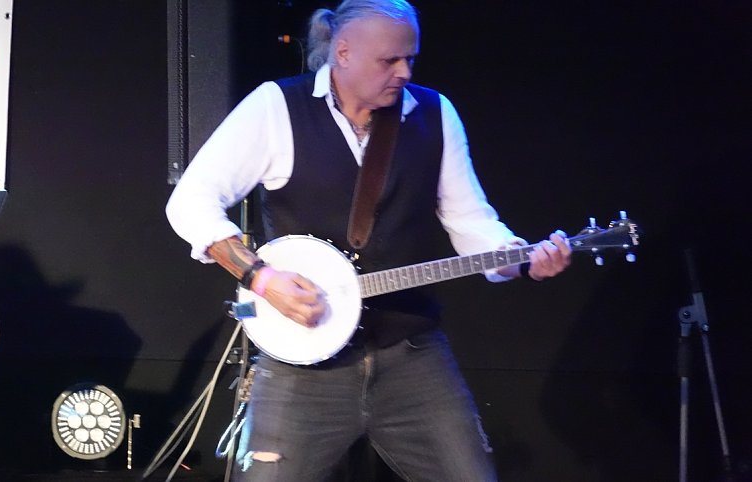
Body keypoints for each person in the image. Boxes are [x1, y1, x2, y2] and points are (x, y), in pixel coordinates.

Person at [165, 1, 572, 480]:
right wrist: (262, 278)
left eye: (410, 59)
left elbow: (472, 223)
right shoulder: (277, 107)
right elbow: (189, 202)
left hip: (410, 357)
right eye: (389, 61)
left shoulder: (435, 114)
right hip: (303, 368)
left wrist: (523, 259)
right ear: (343, 52)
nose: (404, 72)